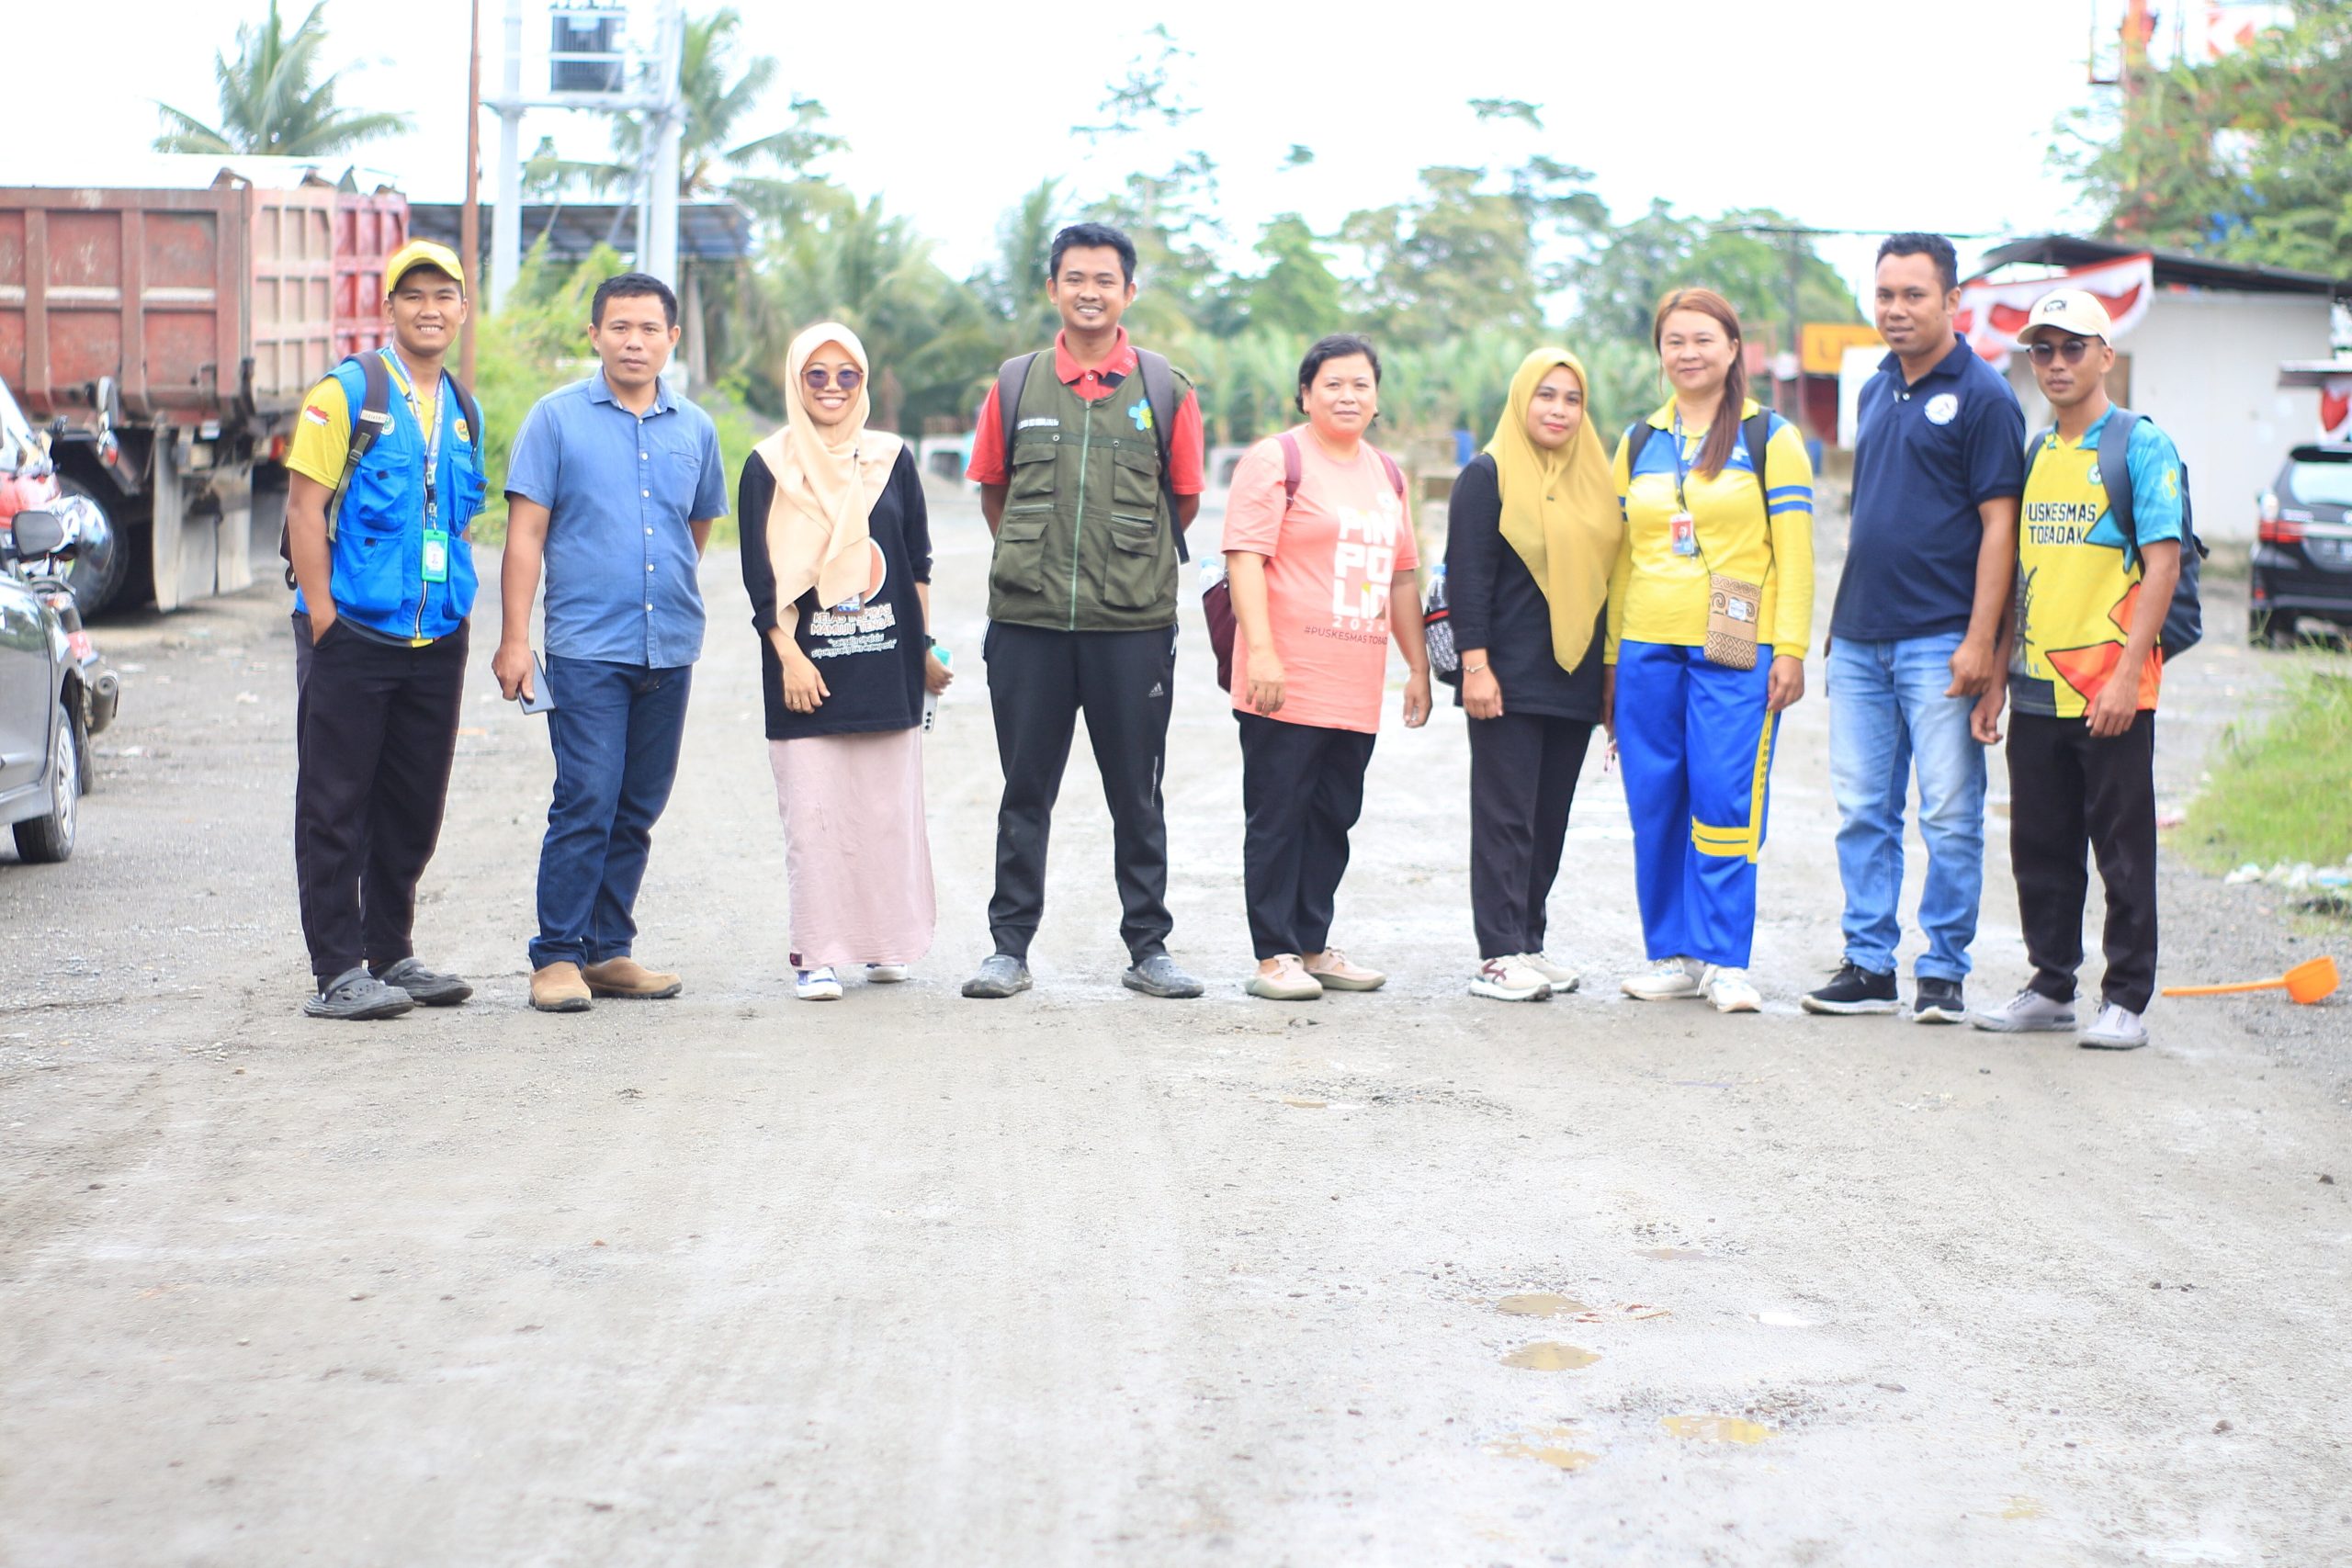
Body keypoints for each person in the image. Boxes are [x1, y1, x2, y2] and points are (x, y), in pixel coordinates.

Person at [959, 222, 1209, 1001]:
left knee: (1137, 792)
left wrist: (1119, 563)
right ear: (1053, 289)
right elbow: (993, 489)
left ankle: (1150, 946)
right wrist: (1041, 561)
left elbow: (1187, 500)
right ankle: (1008, 949)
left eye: (1106, 279)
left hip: (1132, 627)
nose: (1090, 291)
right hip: (1029, 625)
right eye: (1075, 278)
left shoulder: (1166, 389)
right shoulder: (1016, 383)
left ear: (1129, 291)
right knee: (1024, 789)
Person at [1805, 233, 2025, 1023]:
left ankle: (1942, 970)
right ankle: (1868, 966)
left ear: (1952, 301)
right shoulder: (1873, 389)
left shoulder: (1986, 396)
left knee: (1948, 812)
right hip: (1861, 637)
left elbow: (2000, 528)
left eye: (1914, 295)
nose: (1896, 309)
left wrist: (1981, 643)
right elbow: (1873, 514)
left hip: (1941, 640)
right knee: (1864, 808)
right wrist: (1840, 620)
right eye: (1886, 294)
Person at [495, 272, 729, 1012]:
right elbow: (525, 535)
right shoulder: (555, 419)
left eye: (649, 328)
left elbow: (697, 527)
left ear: (672, 339)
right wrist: (514, 640)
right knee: (587, 794)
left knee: (636, 804)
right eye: (619, 327)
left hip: (670, 646)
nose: (634, 340)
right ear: (594, 335)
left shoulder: (694, 427)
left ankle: (608, 950)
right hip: (586, 647)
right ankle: (557, 955)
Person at [1971, 289, 2183, 1050]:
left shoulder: (2137, 444)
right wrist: (1998, 677)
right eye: (2042, 350)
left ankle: (2125, 998)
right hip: (2035, 689)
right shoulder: (2037, 452)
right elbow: (2024, 579)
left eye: (2072, 347)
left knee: (2123, 848)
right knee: (2041, 845)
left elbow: (2163, 564)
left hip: (2114, 688)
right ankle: (2051, 985)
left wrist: (2129, 675)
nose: (2056, 363)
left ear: (2105, 354)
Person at [282, 239, 487, 1021]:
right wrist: (325, 618)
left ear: (462, 312)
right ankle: (337, 968)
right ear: (389, 308)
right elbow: (304, 508)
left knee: (412, 802)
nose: (430, 309)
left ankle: (391, 951)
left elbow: (457, 521)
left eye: (444, 296)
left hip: (435, 636)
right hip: (353, 634)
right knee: (335, 801)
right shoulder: (349, 393)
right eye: (414, 296)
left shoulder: (463, 410)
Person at [1608, 290, 1816, 1013]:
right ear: (1660, 353)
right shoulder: (1639, 440)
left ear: (1734, 349)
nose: (1688, 353)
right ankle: (1671, 951)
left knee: (1727, 795)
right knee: (1656, 799)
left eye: (1703, 339)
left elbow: (1795, 556)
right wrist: (1612, 657)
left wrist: (1788, 648)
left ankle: (1725, 957)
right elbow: (1620, 560)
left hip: (1735, 644)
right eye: (1674, 341)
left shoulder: (1770, 437)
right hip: (1645, 644)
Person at [738, 322, 951, 1001]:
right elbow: (760, 578)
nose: (832, 388)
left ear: (863, 382)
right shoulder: (768, 463)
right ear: (797, 382)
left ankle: (886, 944)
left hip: (886, 661)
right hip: (805, 669)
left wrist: (923, 648)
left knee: (887, 813)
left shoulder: (890, 458)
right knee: (815, 816)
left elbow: (915, 564)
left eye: (847, 376)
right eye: (816, 376)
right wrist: (787, 657)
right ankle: (818, 952)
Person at [1223, 333, 1431, 1000]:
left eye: (1361, 385)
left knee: (1333, 816)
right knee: (1278, 816)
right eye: (1332, 383)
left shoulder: (1387, 474)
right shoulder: (1277, 458)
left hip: (1356, 683)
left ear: (1376, 399)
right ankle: (1272, 953)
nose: (1347, 395)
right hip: (1284, 677)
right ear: (1306, 394)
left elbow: (1402, 578)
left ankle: (1313, 944)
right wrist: (1261, 651)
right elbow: (1244, 558)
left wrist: (1417, 667)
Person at [1444, 347, 1621, 1003]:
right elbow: (1469, 579)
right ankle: (1496, 952)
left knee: (1548, 819)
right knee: (1504, 818)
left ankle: (1528, 940)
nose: (1559, 410)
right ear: (1523, 399)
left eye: (1572, 399)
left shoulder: (1594, 481)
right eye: (1546, 395)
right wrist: (1476, 666)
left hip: (1571, 678)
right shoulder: (1486, 476)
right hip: (1506, 679)